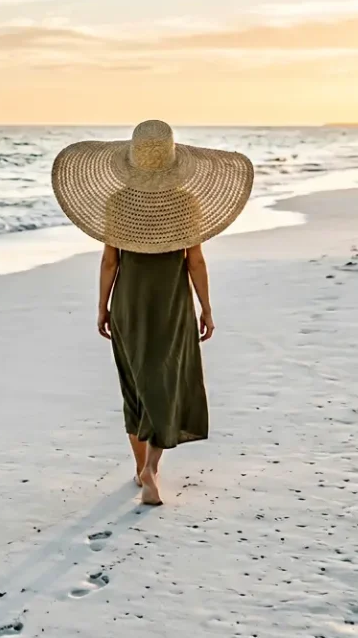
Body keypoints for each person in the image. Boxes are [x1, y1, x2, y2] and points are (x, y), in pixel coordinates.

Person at [51, 120, 253, 505]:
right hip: (172, 304)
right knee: (167, 379)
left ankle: (140, 467)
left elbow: (110, 262)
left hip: (129, 301)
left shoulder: (118, 202)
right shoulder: (185, 202)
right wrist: (206, 307)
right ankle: (152, 468)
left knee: (135, 384)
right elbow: (195, 261)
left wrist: (102, 306)